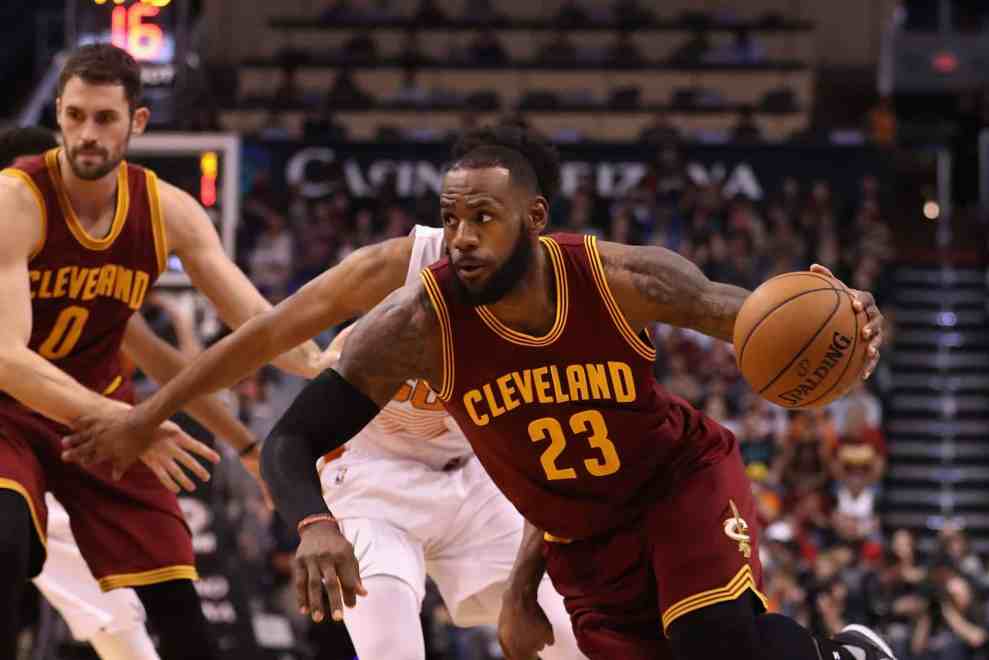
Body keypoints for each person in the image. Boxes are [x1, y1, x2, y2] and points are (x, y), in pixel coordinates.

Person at [61, 128, 886, 659]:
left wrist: (841, 320)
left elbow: (748, 316)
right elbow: (285, 420)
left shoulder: (617, 275)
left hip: (670, 480)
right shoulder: (413, 320)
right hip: (547, 522)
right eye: (450, 217)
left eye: (482, 218)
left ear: (533, 218)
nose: (459, 237)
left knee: (709, 640)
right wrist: (305, 517)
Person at [0, 44, 326, 660]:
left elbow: (252, 324)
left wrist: (321, 368)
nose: (85, 134)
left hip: (104, 421)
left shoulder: (165, 212)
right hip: (15, 415)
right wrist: (136, 421)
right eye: (73, 117)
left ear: (137, 122)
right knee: (5, 538)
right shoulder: (17, 201)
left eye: (103, 118)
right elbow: (9, 362)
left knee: (178, 606)